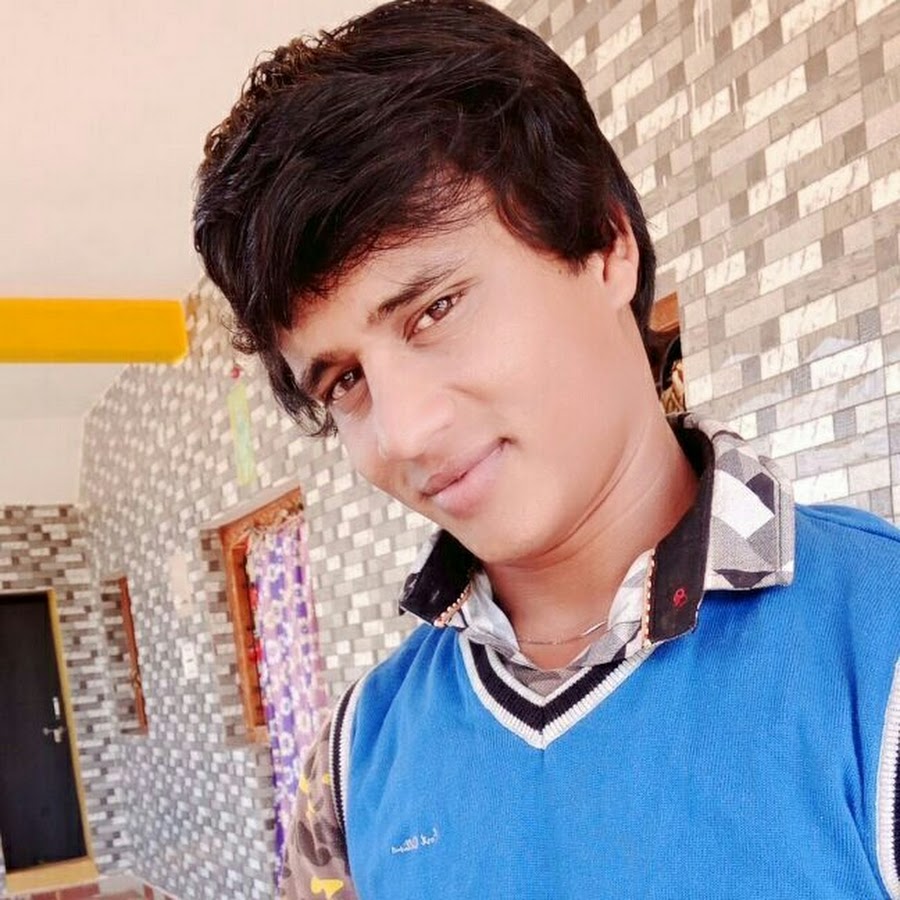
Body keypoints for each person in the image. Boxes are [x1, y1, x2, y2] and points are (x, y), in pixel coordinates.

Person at [193, 1, 900, 897]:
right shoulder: (355, 761)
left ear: (605, 244)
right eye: (345, 381)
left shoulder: (879, 659)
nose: (405, 430)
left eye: (436, 309)